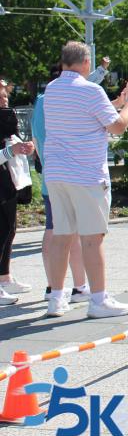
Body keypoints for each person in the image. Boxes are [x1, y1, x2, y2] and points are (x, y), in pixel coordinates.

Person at [43, 41, 128, 318]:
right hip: (86, 174)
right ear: (86, 63)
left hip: (57, 174)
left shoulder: (51, 89)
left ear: (63, 62)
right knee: (92, 239)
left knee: (61, 236)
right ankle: (98, 300)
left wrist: (114, 103)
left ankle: (55, 299)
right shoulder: (91, 90)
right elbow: (118, 126)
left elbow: (82, 115)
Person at [32, 63, 98, 308]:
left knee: (55, 231)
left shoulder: (43, 102)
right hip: (72, 176)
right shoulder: (60, 100)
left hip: (52, 175)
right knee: (69, 235)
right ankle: (76, 287)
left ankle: (55, 287)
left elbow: (37, 139)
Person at [0, 89, 35, 306]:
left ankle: (4, 278)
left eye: (5, 96)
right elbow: (7, 152)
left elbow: (12, 147)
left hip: (9, 184)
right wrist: (11, 151)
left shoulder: (6, 120)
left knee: (9, 230)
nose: (4, 100)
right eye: (0, 97)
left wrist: (24, 148)